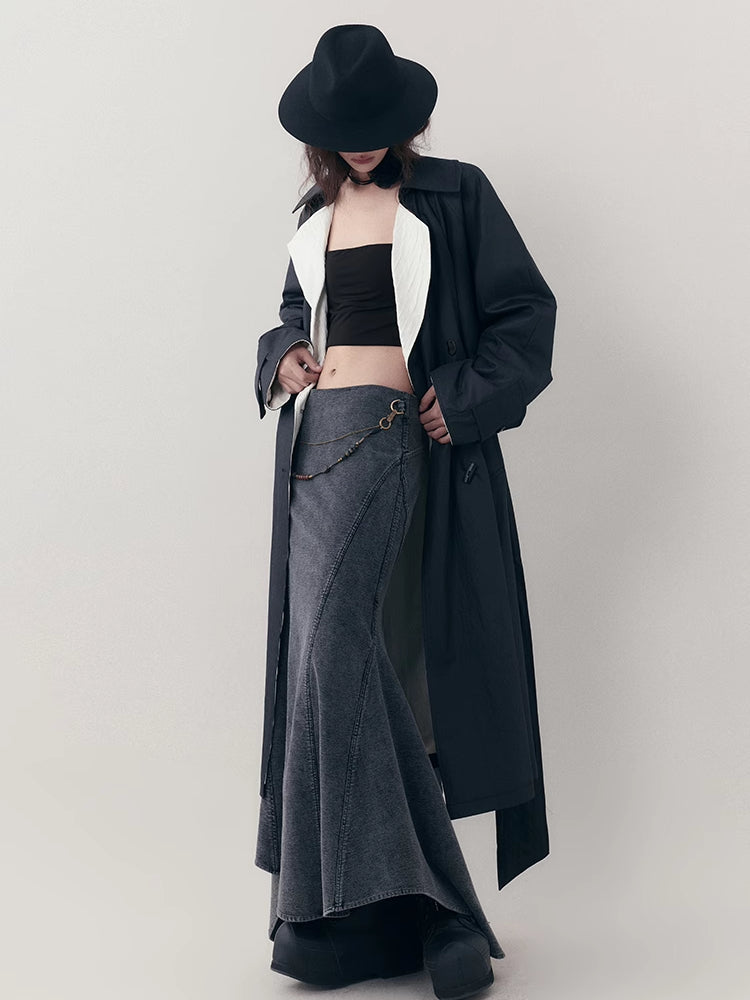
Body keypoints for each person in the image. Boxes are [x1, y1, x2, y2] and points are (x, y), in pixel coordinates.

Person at [254, 23, 557, 1000]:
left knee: (345, 648)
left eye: (377, 128)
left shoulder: (454, 196)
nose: (362, 147)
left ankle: (439, 909)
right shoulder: (315, 214)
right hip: (314, 450)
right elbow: (293, 315)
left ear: (405, 120)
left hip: (395, 438)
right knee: (326, 661)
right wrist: (283, 354)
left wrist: (461, 396)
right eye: (346, 133)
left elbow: (525, 318)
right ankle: (364, 918)